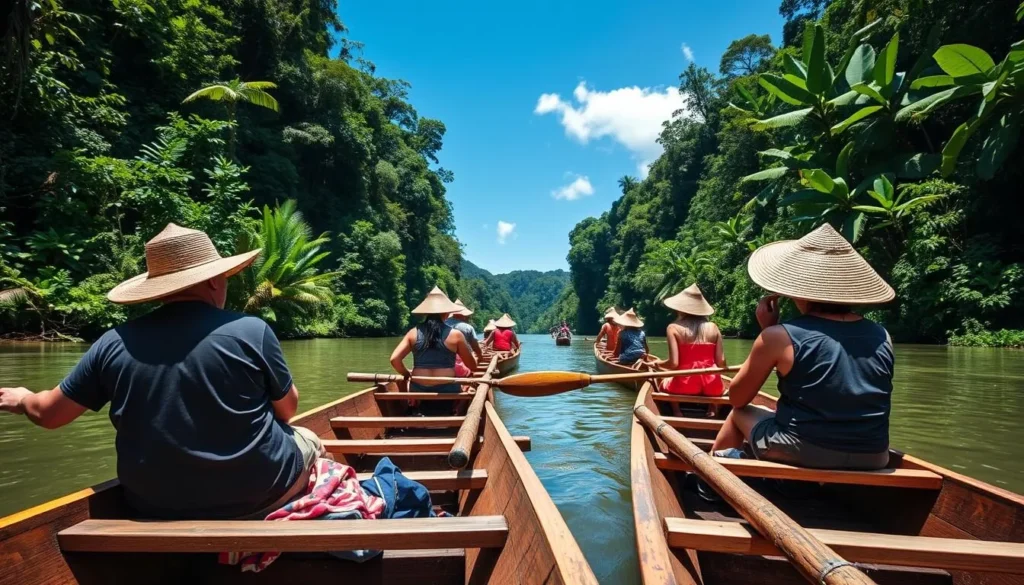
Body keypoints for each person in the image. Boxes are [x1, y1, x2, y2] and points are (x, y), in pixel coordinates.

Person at [0, 223, 325, 520]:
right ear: (214, 280)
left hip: (152, 506)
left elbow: (49, 414)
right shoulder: (251, 330)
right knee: (309, 438)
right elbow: (288, 409)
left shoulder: (113, 343)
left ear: (160, 289)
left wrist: (22, 398)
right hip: (259, 494)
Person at [710, 224, 896, 470]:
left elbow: (736, 397)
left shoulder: (778, 336)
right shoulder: (883, 335)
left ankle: (707, 484)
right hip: (875, 455)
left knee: (738, 414)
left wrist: (766, 331)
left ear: (799, 292)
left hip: (805, 449)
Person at [390, 287, 478, 408]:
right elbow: (472, 366)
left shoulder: (413, 333)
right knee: (468, 386)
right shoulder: (456, 335)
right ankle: (455, 411)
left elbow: (395, 359)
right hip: (447, 389)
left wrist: (407, 375)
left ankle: (415, 410)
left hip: (418, 389)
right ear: (447, 313)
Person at [655, 284, 727, 396]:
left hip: (684, 387)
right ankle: (713, 408)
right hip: (712, 387)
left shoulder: (673, 328)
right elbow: (721, 362)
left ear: (680, 309)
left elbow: (674, 364)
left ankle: (677, 411)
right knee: (718, 385)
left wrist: (657, 364)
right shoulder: (713, 327)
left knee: (663, 382)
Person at [446, 298, 483, 378]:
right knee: (473, 358)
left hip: (443, 363)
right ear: (464, 315)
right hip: (461, 362)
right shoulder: (467, 327)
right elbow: (475, 347)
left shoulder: (441, 325)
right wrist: (480, 357)